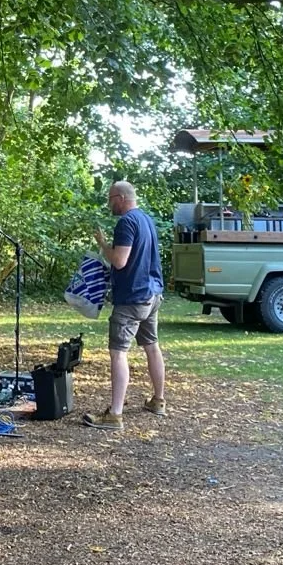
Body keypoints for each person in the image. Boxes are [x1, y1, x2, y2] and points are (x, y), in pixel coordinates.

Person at [83, 181, 166, 430]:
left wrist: (103, 244)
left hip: (132, 298)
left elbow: (119, 261)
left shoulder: (126, 222)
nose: (110, 204)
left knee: (118, 352)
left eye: (111, 199)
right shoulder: (146, 220)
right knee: (152, 346)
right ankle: (158, 400)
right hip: (152, 295)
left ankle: (115, 415)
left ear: (120, 197)